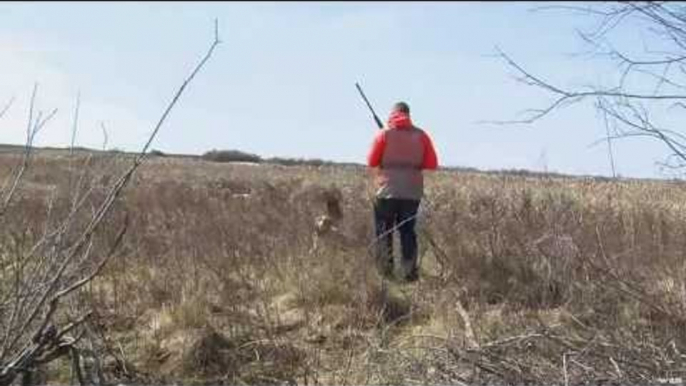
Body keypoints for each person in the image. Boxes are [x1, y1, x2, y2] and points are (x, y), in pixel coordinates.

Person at [366, 101, 438, 282]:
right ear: (409, 114)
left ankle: (385, 275)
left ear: (393, 114)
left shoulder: (384, 134)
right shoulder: (422, 135)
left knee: (384, 232)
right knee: (408, 232)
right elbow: (432, 164)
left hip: (386, 189)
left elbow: (371, 161)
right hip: (412, 191)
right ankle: (409, 274)